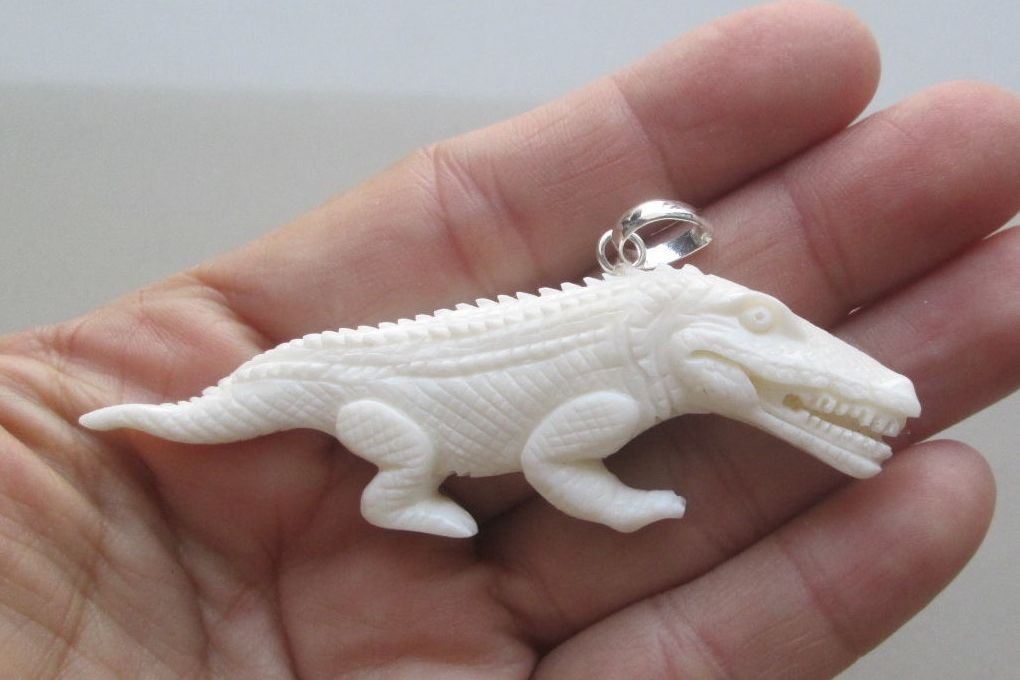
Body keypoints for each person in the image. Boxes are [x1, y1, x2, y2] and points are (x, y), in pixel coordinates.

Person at [1, 1, 1017, 677]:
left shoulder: (640, 351)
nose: (779, 339)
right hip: (382, 403)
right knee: (398, 447)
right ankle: (399, 493)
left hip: (408, 370)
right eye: (755, 320)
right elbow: (552, 458)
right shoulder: (618, 396)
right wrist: (622, 504)